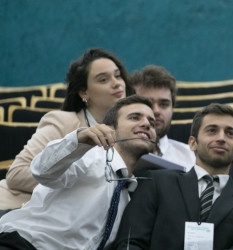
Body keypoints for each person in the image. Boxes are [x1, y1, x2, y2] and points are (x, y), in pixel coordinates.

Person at [0, 95, 157, 250]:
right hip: (19, 249)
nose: (146, 124)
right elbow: (41, 170)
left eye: (152, 123)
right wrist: (77, 140)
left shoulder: (131, 195)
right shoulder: (88, 155)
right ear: (110, 128)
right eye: (135, 117)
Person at [113, 103, 233, 250]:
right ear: (193, 143)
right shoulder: (157, 183)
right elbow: (131, 243)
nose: (221, 138)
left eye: (230, 133)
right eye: (212, 130)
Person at [0, 48, 134, 209]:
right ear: (84, 92)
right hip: (19, 210)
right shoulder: (62, 122)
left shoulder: (132, 129)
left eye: (118, 75)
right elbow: (16, 174)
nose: (116, 83)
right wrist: (81, 186)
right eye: (103, 79)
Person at [130, 65, 195, 169]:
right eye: (148, 104)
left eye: (164, 104)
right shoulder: (111, 154)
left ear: (172, 108)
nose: (156, 111)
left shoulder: (192, 158)